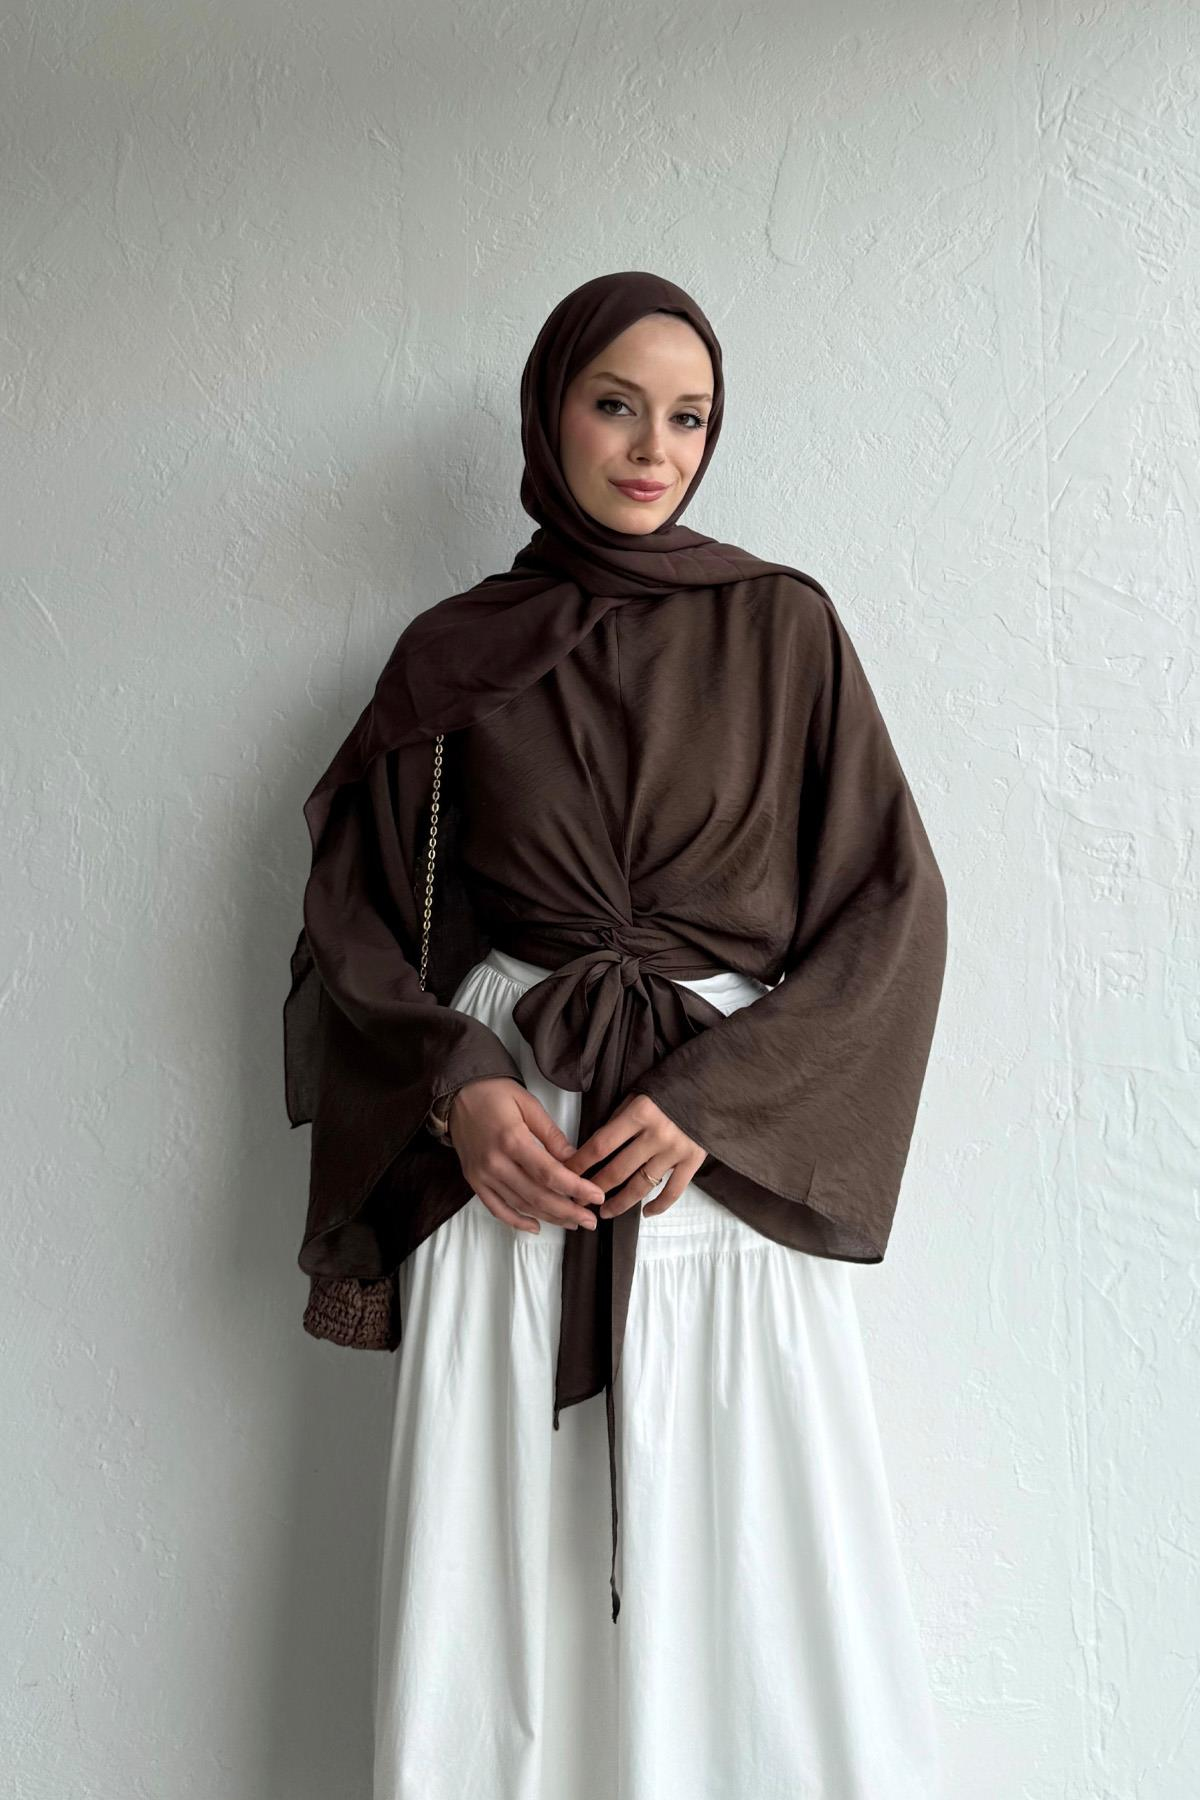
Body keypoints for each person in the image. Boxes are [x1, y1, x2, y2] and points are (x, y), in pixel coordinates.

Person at [283, 270, 949, 1800]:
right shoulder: (452, 654)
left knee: (763, 1573)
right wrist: (455, 1088)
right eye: (616, 405)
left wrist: (721, 1097)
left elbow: (893, 909)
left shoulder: (785, 628)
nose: (656, 449)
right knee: (502, 1579)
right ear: (550, 414)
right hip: (515, 1170)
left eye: (690, 417)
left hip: (717, 1165)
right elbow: (352, 917)